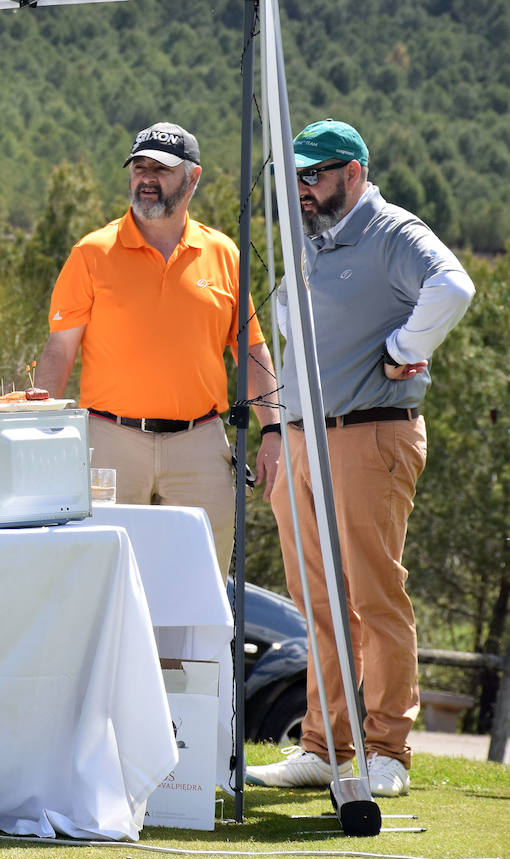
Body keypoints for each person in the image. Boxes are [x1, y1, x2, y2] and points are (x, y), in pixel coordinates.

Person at [245, 119, 474, 797]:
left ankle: (387, 751)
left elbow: (453, 286)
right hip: (304, 438)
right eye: (297, 176)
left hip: (369, 432)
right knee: (317, 599)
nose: (303, 187)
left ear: (355, 171)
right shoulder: (313, 239)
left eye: (315, 174)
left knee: (374, 596)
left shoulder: (391, 231)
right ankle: (323, 745)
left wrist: (404, 348)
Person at [35, 121, 281, 573]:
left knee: (200, 585)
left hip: (200, 444)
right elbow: (58, 351)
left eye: (161, 169)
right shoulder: (91, 253)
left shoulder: (225, 254)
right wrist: (39, 432)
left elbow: (252, 351)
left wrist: (274, 431)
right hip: (109, 442)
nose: (146, 178)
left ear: (193, 177)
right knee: (103, 582)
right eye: (139, 167)